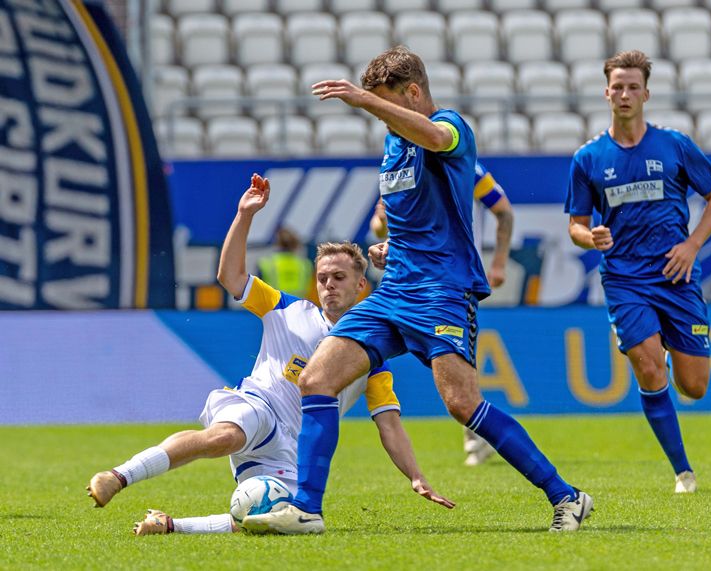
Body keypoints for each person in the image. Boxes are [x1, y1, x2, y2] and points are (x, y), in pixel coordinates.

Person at [242, 46, 592, 536]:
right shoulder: (392, 146)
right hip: (393, 292)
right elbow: (416, 219)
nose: (382, 116)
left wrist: (364, 101)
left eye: (388, 103)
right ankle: (306, 508)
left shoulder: (450, 127)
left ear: (412, 92)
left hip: (442, 291)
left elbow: (433, 136)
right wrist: (389, 249)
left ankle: (567, 496)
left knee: (462, 405)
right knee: (316, 379)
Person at [86, 173, 453, 535]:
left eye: (339, 278)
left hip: (288, 450)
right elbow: (231, 277)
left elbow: (388, 423)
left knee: (274, 517)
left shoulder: (371, 356)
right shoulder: (286, 308)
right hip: (256, 405)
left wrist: (416, 476)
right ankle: (118, 476)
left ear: (361, 285)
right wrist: (244, 215)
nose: (328, 285)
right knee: (224, 437)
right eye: (323, 277)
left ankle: (169, 526)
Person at [564, 50, 711, 494]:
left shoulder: (674, 144)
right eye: (617, 86)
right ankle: (683, 473)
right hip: (624, 278)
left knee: (693, 386)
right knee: (649, 368)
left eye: (633, 86)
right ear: (606, 93)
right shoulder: (588, 157)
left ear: (646, 94)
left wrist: (692, 245)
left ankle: (674, 344)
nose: (624, 94)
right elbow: (575, 226)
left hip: (676, 275)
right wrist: (589, 237)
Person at [369, 161, 515, 466]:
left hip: (450, 278)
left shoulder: (463, 167)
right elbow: (378, 225)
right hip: (406, 280)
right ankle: (476, 431)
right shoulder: (398, 166)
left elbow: (503, 210)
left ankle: (476, 432)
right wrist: (383, 232)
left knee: (454, 358)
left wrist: (499, 262)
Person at [258, 226, 313, 299]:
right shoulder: (305, 264)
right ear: (295, 244)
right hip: (298, 305)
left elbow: (258, 289)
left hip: (275, 306)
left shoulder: (266, 264)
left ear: (277, 243)